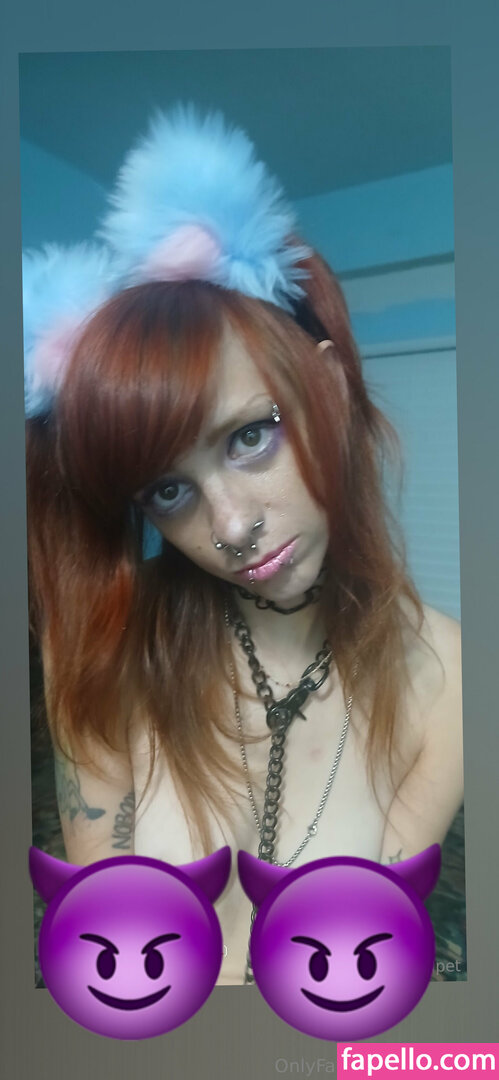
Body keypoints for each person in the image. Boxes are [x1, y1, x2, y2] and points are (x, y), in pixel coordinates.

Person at [25, 106, 463, 985]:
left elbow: (362, 952)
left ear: (329, 387)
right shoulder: (108, 647)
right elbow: (117, 952)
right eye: (168, 490)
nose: (228, 528)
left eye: (248, 437)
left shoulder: (451, 677)